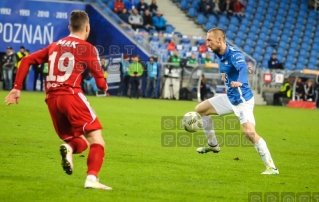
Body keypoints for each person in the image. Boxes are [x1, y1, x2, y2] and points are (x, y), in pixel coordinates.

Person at [4, 10, 112, 190]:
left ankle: (69, 149)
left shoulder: (55, 45)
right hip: (71, 96)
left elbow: (26, 61)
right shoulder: (88, 48)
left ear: (69, 27)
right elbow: (101, 85)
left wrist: (16, 87)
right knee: (97, 140)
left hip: (52, 100)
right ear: (87, 28)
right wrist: (105, 86)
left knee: (79, 142)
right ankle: (92, 179)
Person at [194, 27, 279, 175]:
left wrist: (240, 80)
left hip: (242, 100)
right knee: (200, 110)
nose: (207, 43)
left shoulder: (234, 54)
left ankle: (272, 167)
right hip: (230, 97)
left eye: (209, 40)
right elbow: (241, 67)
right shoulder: (220, 54)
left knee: (249, 133)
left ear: (219, 40)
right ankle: (213, 144)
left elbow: (243, 69)